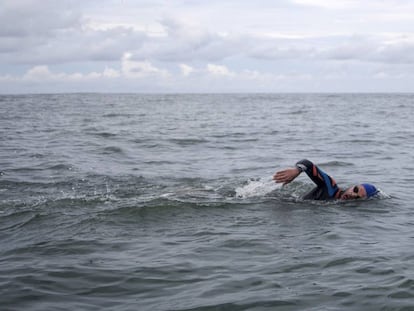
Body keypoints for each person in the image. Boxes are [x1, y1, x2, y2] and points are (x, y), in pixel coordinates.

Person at [273, 159, 378, 200]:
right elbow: (308, 164)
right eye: (355, 190)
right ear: (352, 186)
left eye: (357, 198)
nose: (353, 195)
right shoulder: (330, 187)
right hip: (278, 200)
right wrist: (297, 171)